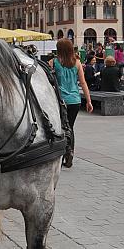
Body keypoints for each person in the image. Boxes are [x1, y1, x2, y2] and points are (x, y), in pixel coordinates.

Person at [50, 38, 93, 168]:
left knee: (61, 127)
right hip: (75, 100)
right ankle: (70, 152)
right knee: (70, 127)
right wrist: (89, 101)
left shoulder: (54, 62)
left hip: (60, 100)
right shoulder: (78, 63)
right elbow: (83, 83)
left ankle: (62, 152)